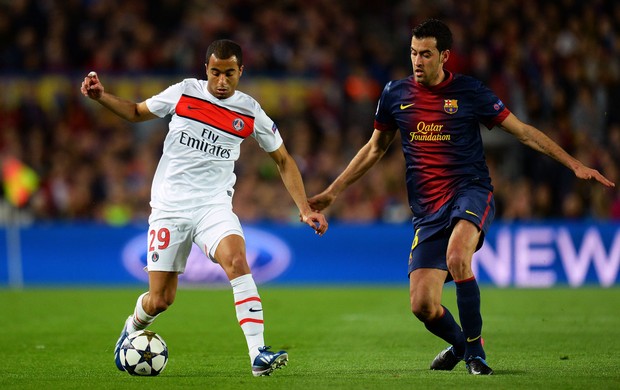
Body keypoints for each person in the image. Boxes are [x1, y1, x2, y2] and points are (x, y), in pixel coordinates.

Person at [308, 19, 615, 375]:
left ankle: (475, 353)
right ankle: (459, 344)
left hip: (471, 192)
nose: (417, 61)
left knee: (457, 256)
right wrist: (333, 191)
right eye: (413, 53)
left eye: (426, 54)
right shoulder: (395, 94)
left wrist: (574, 164)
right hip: (427, 211)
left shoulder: (470, 93)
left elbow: (524, 133)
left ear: (445, 56)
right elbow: (374, 149)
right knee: (422, 305)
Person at [80, 39, 328, 377]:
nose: (221, 81)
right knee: (161, 299)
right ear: (206, 70)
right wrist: (101, 97)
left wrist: (303, 207)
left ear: (241, 71)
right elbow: (137, 112)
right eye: (215, 73)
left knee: (237, 260)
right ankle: (132, 324)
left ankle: (258, 353)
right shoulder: (185, 93)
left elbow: (283, 160)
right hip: (169, 207)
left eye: (229, 73)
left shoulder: (250, 111)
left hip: (213, 206)